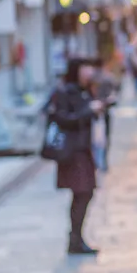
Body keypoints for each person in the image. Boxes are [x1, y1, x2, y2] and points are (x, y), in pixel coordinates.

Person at [49, 58, 104, 255]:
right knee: (82, 192)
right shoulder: (65, 92)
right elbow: (61, 118)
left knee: (85, 193)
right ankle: (75, 239)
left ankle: (76, 238)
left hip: (85, 149)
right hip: (73, 151)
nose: (89, 71)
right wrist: (88, 111)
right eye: (85, 68)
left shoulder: (86, 90)